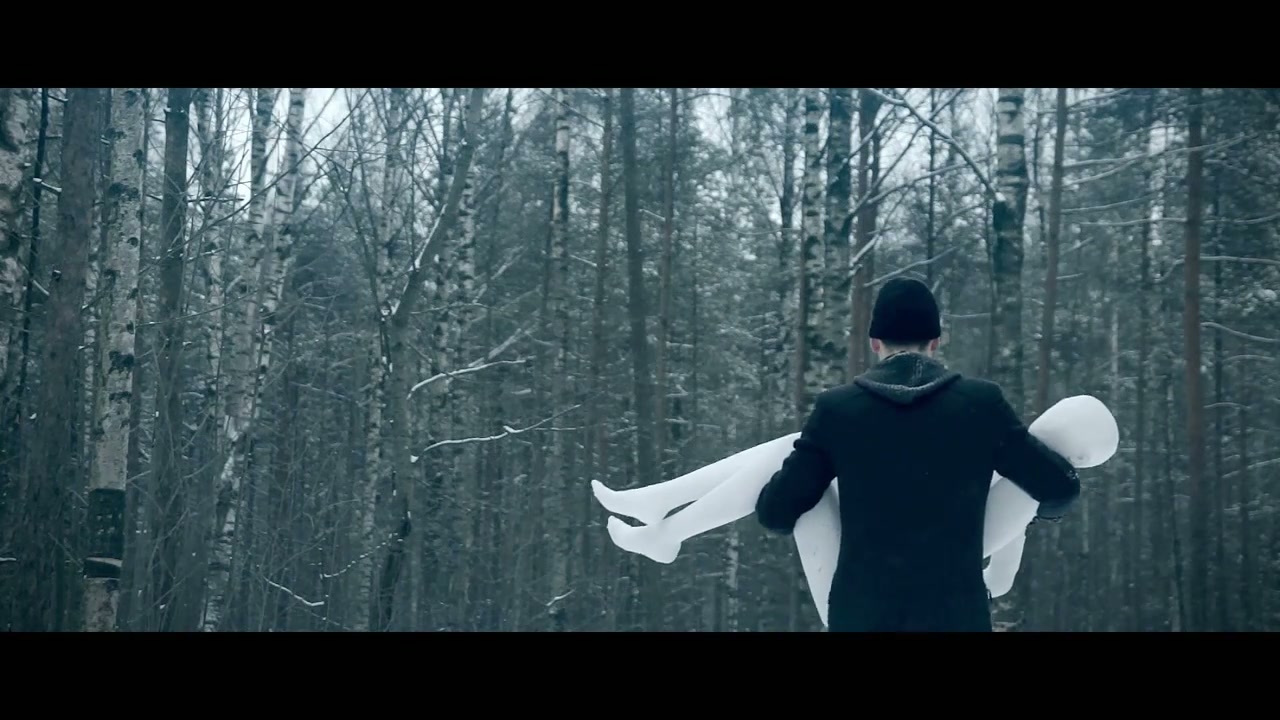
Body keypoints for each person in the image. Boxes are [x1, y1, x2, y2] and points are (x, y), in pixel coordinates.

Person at [752, 277, 1081, 632]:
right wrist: (1022, 515)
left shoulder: (838, 411)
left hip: (864, 618)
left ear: (875, 342)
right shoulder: (981, 405)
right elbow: (1059, 487)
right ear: (935, 342)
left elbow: (776, 512)